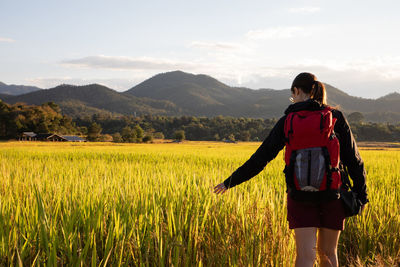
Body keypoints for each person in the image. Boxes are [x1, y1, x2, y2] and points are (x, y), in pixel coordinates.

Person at [213, 72, 368, 267]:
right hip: (332, 194)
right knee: (328, 254)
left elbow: (261, 158)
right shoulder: (334, 117)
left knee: (305, 256)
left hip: (299, 195)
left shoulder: (287, 121)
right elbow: (354, 159)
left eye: (292, 94)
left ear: (296, 90)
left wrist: (230, 182)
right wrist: (362, 194)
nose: (292, 98)